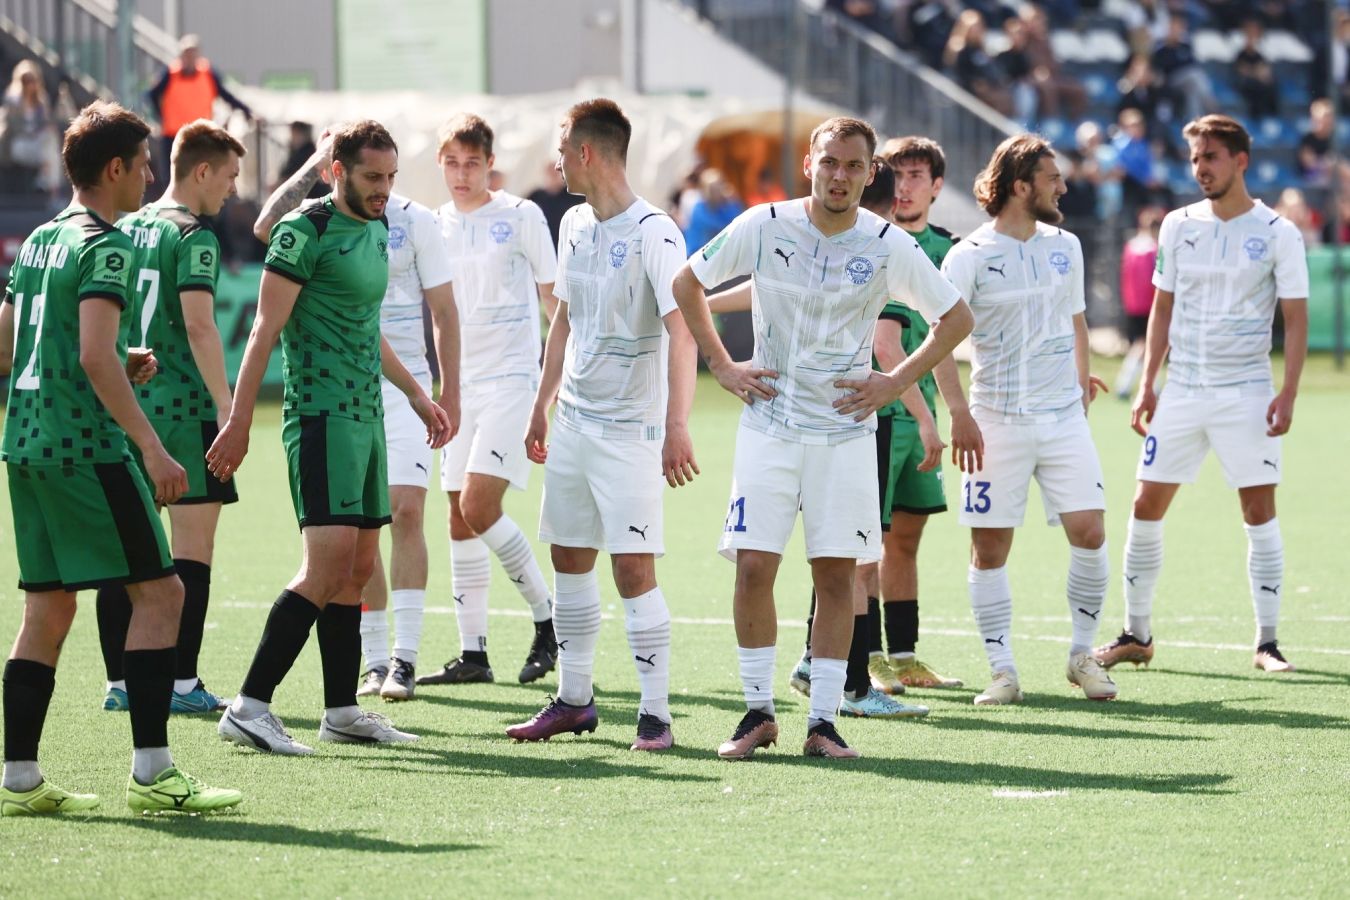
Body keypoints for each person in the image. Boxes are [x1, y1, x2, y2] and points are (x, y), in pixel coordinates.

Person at [672, 116, 973, 760]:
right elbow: (686, 282)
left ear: (870, 174)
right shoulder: (764, 223)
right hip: (770, 426)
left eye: (854, 166)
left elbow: (955, 317)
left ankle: (824, 722)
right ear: (810, 163)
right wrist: (723, 365)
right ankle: (757, 713)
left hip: (844, 434)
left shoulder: (887, 242)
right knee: (754, 566)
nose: (840, 175)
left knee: (837, 575)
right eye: (830, 162)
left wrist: (896, 382)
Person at [0, 100, 241, 814]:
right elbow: (91, 356)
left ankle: (17, 777)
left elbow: (10, 347)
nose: (147, 174)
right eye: (140, 163)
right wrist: (154, 447)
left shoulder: (42, 238)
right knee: (161, 595)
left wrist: (111, 359)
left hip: (25, 442)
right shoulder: (108, 245)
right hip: (87, 448)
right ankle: (152, 772)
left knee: (47, 608)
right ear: (115, 168)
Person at [208, 120, 452, 755]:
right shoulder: (303, 231)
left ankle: (342, 710)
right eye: (373, 177)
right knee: (325, 566)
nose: (385, 190)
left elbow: (365, 327)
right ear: (336, 171)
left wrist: (417, 395)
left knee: (360, 568)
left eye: (392, 177)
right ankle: (250, 705)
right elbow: (263, 331)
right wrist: (237, 422)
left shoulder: (377, 229)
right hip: (320, 419)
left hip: (368, 416)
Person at [507, 98, 697, 752]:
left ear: (586, 153)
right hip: (576, 426)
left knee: (633, 572)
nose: (556, 162)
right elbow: (563, 319)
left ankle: (655, 714)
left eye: (562, 150)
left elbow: (684, 332)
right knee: (568, 559)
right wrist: (542, 401)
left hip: (631, 435)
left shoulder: (656, 232)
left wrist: (677, 424)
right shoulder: (575, 225)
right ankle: (574, 700)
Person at [1096, 115, 1308, 674]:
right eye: (1194, 159)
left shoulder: (1278, 232)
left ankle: (1267, 642)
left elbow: (1296, 316)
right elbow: (1162, 307)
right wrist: (1148, 383)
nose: (1200, 169)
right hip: (1184, 389)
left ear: (1240, 160)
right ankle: (1134, 633)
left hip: (1247, 393)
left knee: (1258, 509)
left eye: (1210, 157)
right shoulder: (1176, 225)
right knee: (1145, 504)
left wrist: (1287, 392)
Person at [938, 133, 1116, 707]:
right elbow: (939, 344)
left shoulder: (1066, 244)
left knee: (1090, 532)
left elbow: (1077, 322)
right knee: (990, 550)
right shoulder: (967, 257)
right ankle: (1003, 671)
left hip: (1063, 419)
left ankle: (1082, 656)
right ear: (1021, 186)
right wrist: (960, 413)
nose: (1063, 186)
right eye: (1051, 178)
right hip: (996, 422)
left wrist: (1081, 385)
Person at [94, 119, 248, 717]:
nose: (233, 190)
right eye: (230, 176)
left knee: (124, 549)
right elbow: (200, 325)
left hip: (126, 406)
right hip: (183, 412)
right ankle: (182, 683)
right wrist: (228, 405)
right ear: (202, 171)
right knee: (193, 552)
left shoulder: (125, 224)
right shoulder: (195, 235)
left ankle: (120, 683)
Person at [415, 113, 560, 690]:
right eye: (451, 162)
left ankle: (549, 623)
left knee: (478, 506)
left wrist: (555, 388)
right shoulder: (432, 226)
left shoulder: (521, 216)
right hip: (457, 387)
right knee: (457, 515)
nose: (461, 173)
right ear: (439, 164)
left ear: (489, 163)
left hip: (511, 382)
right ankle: (473, 653)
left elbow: (555, 302)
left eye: (472, 162)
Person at [144, 35, 255, 189]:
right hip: (173, 135)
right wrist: (161, 116)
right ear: (181, 56)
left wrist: (245, 110)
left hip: (200, 136)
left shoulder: (208, 73)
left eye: (192, 53)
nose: (189, 57)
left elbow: (225, 95)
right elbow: (151, 95)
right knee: (171, 178)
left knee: (202, 178)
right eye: (186, 53)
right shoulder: (170, 74)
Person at [1115, 206, 1162, 399]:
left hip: (1131, 304)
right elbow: (1155, 280)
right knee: (1144, 345)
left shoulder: (1131, 246)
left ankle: (1153, 386)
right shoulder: (1153, 249)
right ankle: (1124, 385)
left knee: (1144, 346)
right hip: (1149, 305)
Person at [0, 60, 60, 197]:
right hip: (17, 144)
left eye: (32, 80)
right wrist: (35, 133)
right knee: (49, 153)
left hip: (37, 143)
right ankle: (49, 187)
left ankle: (47, 185)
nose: (29, 85)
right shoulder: (12, 101)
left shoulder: (41, 101)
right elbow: (15, 130)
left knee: (51, 142)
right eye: (26, 80)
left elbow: (46, 123)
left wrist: (46, 129)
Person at [526, 160, 584, 248]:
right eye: (550, 173)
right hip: (543, 243)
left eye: (556, 173)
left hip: (569, 242)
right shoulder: (536, 196)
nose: (553, 176)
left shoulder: (574, 195)